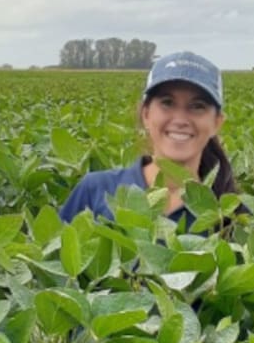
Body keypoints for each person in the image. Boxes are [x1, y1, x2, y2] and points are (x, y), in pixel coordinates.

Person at [60, 51, 238, 227]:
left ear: (217, 123)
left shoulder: (229, 217)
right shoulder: (96, 189)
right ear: (146, 114)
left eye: (197, 106)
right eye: (167, 103)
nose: (180, 120)